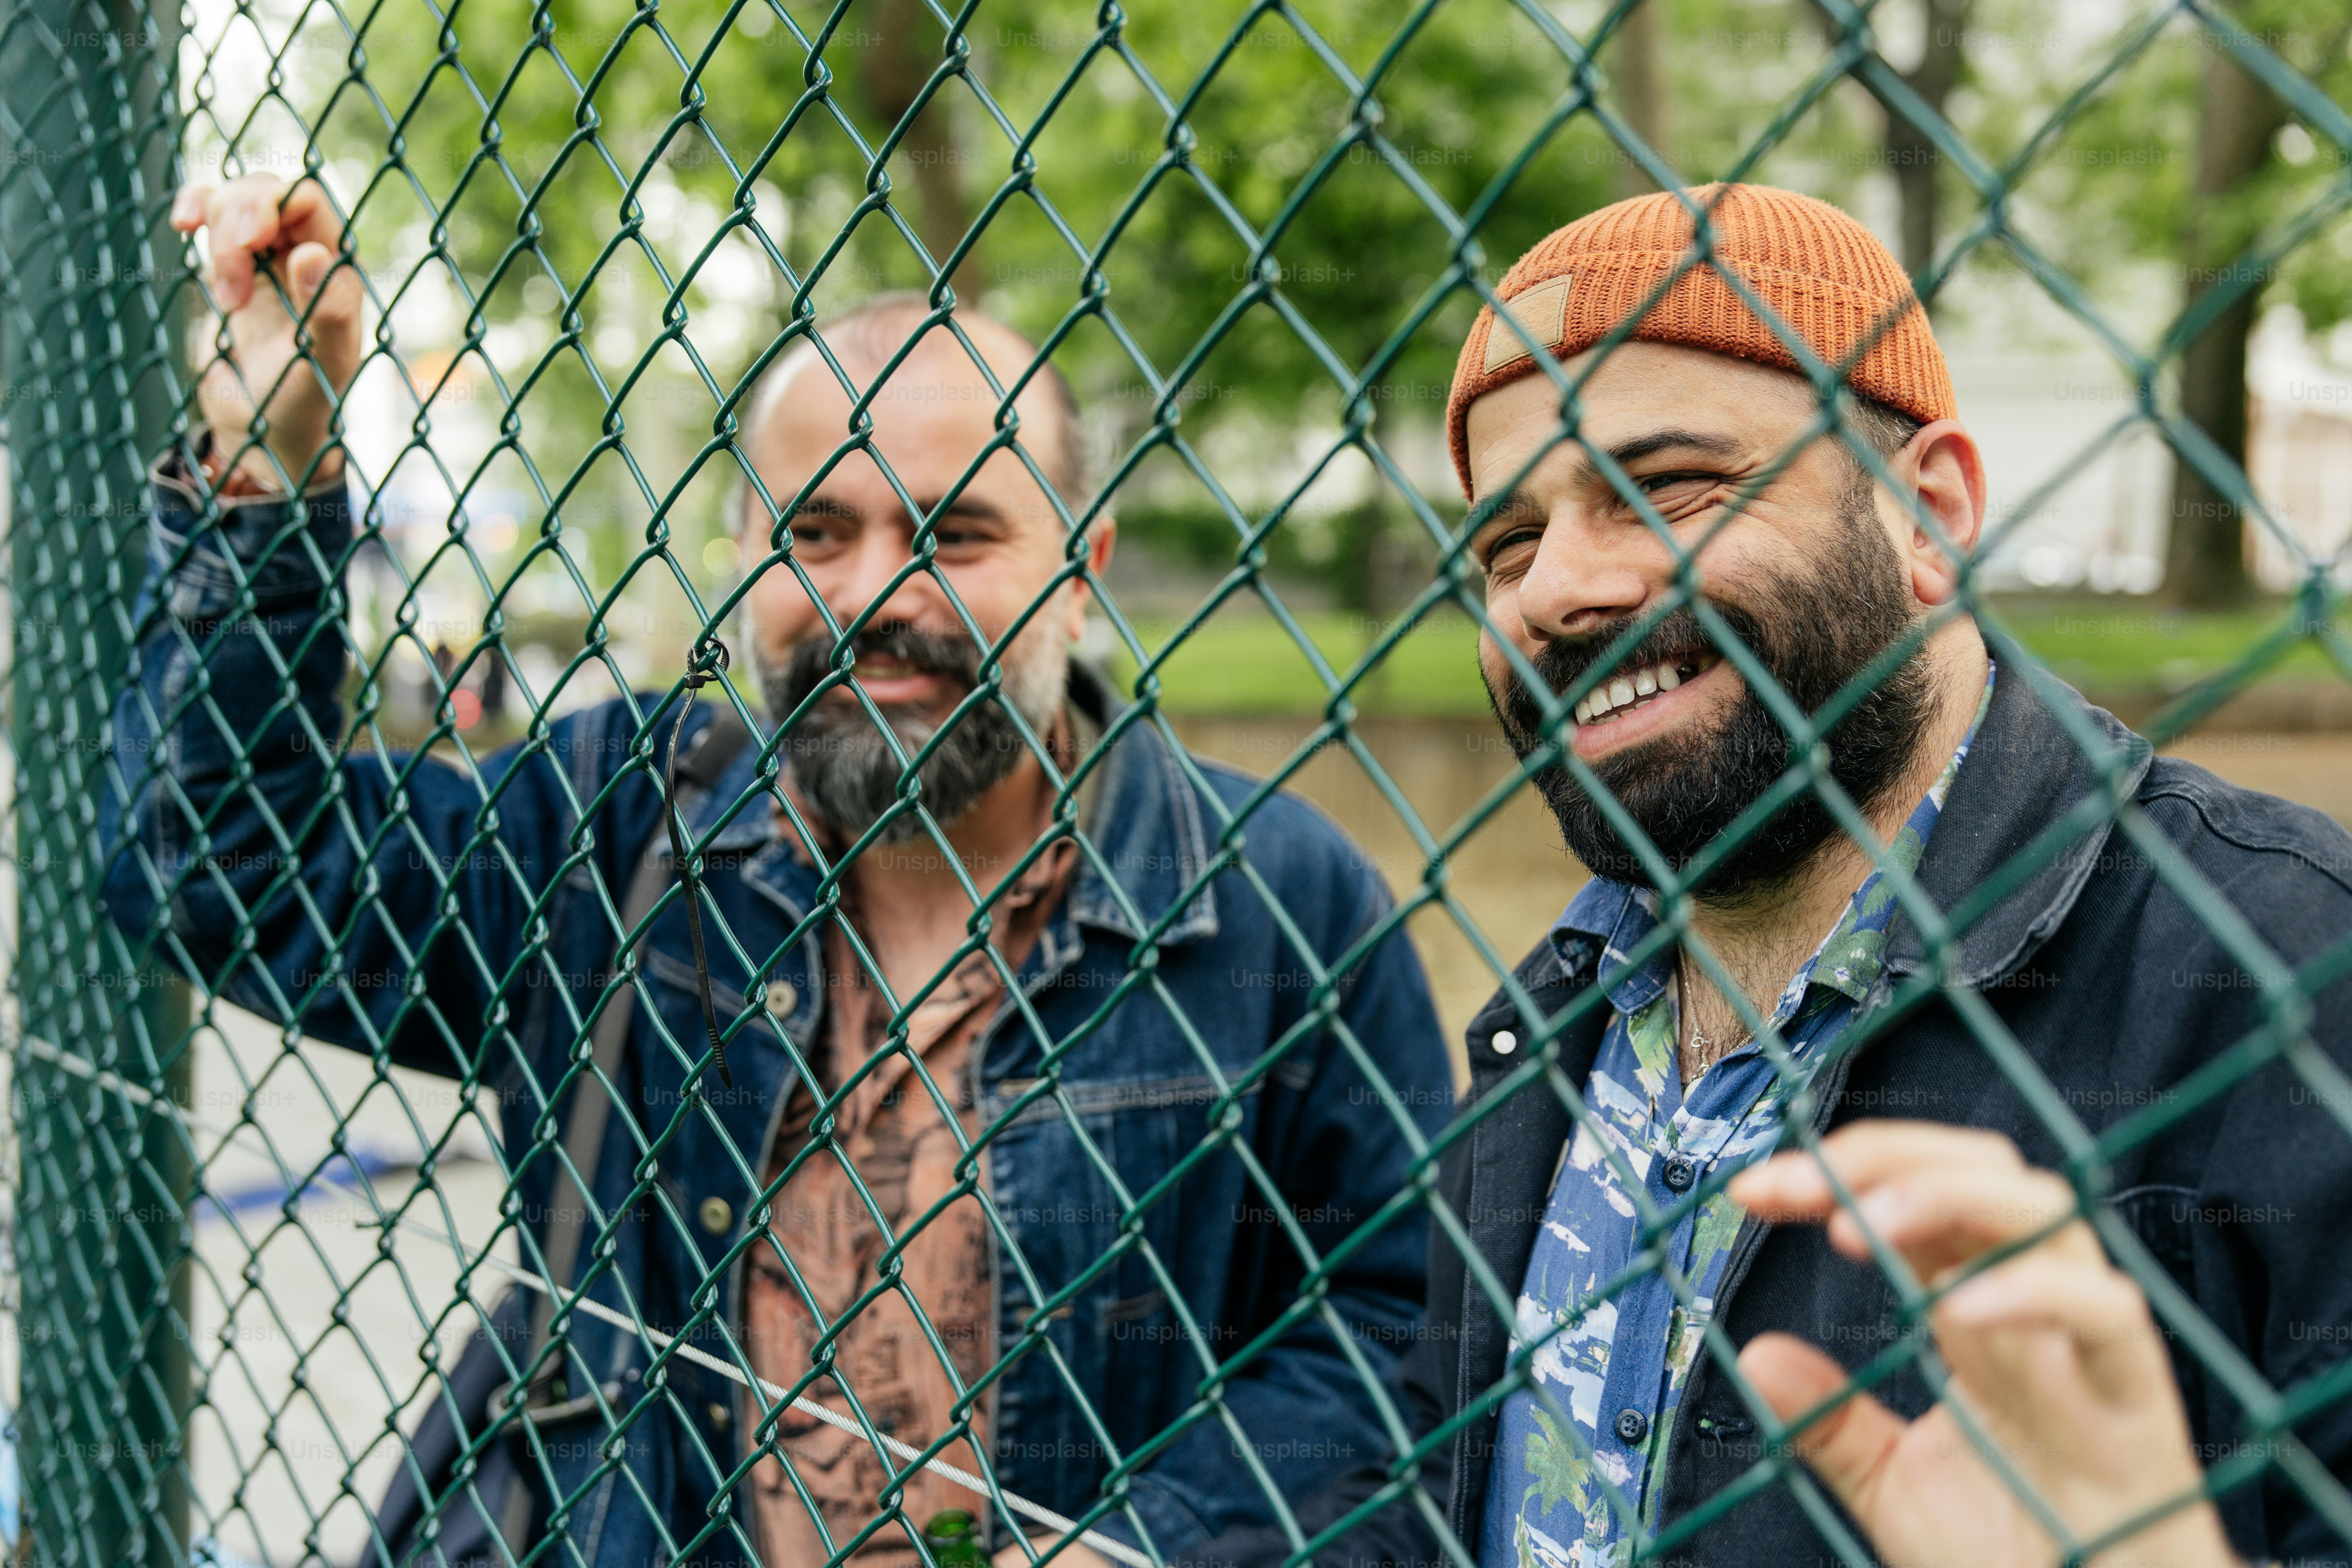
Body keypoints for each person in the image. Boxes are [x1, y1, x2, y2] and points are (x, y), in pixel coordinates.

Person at [101, 175, 1454, 1568]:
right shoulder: (612, 827)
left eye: (957, 532)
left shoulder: (1278, 893)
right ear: (749, 549)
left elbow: (1401, 1313)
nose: (877, 592)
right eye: (818, 533)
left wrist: (1154, 1545)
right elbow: (211, 867)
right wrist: (271, 467)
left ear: (1082, 566)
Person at [1184, 184, 2352, 1568]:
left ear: (1928, 512)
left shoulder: (2288, 968)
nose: (1556, 588)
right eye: (1505, 544)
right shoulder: (1549, 1023)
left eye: (1663, 487)